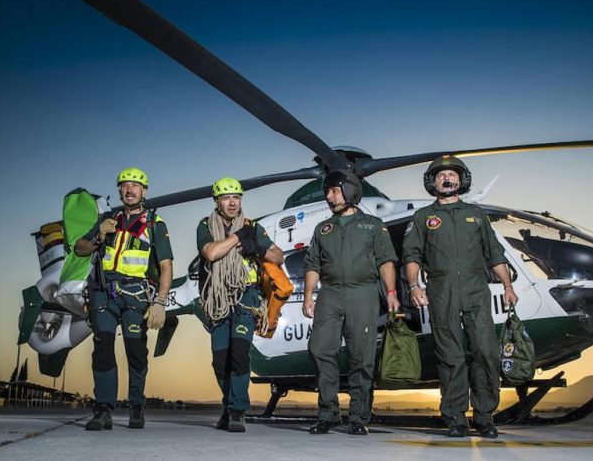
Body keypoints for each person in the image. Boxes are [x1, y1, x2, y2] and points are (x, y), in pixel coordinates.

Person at [402, 155, 519, 438]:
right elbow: (412, 255)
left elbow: (495, 254)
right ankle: (455, 418)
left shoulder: (476, 215)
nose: (447, 178)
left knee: (485, 351)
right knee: (450, 355)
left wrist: (507, 286)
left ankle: (484, 416)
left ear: (462, 180)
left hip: (476, 288)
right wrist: (414, 286)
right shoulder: (423, 217)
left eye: (452, 174)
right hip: (441, 290)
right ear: (432, 182)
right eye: (441, 175)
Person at [75, 167, 173, 430]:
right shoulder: (109, 220)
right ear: (119, 190)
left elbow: (166, 266)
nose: (130, 190)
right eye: (125, 185)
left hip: (136, 296)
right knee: (103, 348)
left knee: (136, 351)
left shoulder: (154, 223)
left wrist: (160, 302)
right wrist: (99, 237)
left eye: (135, 185)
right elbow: (80, 249)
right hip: (104, 293)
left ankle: (137, 405)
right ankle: (103, 409)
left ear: (144, 191)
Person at [303, 170, 400, 435]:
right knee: (320, 348)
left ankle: (358, 417)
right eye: (327, 192)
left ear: (350, 191)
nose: (329, 197)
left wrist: (391, 293)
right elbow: (313, 265)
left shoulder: (373, 224)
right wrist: (309, 296)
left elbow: (385, 261)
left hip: (363, 292)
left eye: (334, 191)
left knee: (361, 355)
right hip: (330, 293)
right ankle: (328, 413)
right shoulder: (323, 229)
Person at [197, 177, 284, 432]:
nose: (232, 202)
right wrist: (237, 238)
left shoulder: (252, 227)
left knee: (239, 355)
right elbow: (211, 252)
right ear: (217, 201)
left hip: (247, 297)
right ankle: (228, 405)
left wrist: (257, 248)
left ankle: (237, 411)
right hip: (219, 298)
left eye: (236, 197)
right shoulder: (205, 226)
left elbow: (278, 256)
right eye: (226, 197)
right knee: (220, 360)